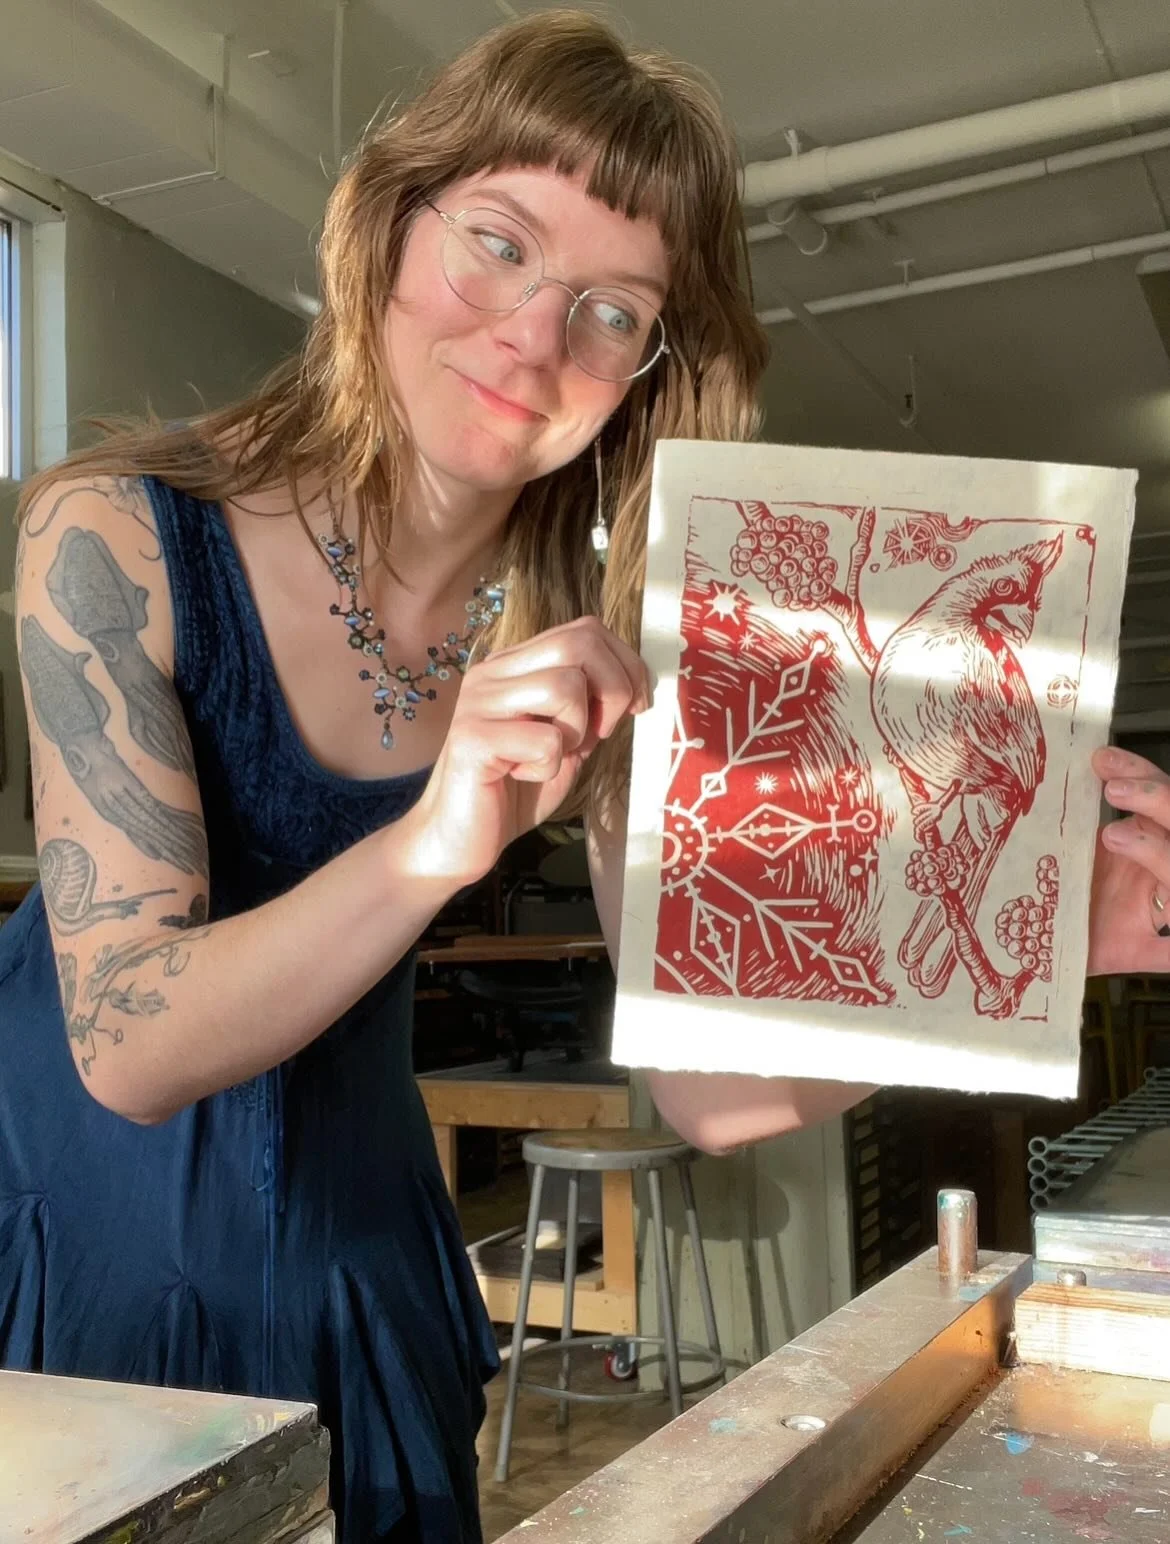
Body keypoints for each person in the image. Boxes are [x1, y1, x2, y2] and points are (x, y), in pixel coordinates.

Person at [0, 9, 1165, 1541]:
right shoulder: (113, 535)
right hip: (76, 1224)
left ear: (647, 370)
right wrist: (438, 836)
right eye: (497, 243)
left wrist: (1026, 949)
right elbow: (127, 1050)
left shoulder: (619, 633)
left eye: (612, 311)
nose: (534, 337)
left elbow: (710, 1082)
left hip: (357, 1249)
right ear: (387, 228)